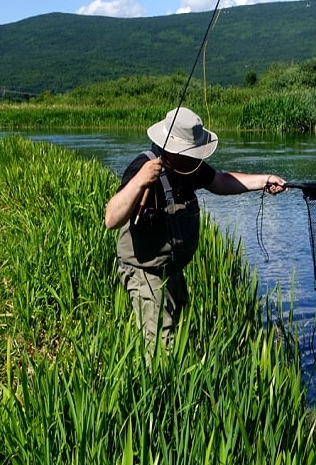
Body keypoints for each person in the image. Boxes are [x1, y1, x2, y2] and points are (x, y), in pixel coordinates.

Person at [105, 107, 287, 349]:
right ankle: (162, 386)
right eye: (191, 152)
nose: (197, 158)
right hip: (144, 273)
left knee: (180, 338)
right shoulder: (143, 167)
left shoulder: (187, 166)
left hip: (171, 271)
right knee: (162, 347)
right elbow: (111, 218)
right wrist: (139, 181)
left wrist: (263, 181)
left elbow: (220, 181)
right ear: (172, 148)